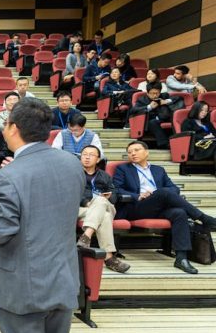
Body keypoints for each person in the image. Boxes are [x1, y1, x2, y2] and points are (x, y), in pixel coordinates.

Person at [0, 97, 85, 333]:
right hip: (64, 279)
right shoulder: (72, 163)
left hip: (23, 289)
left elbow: (1, 231)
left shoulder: (9, 175)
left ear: (13, 128)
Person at [114, 141, 216, 274]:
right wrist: (138, 195)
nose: (132, 153)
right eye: (129, 152)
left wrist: (159, 194)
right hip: (136, 206)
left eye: (136, 150)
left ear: (147, 152)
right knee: (163, 192)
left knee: (179, 212)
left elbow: (174, 188)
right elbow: (116, 189)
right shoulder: (123, 169)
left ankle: (181, 258)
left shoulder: (158, 170)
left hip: (159, 206)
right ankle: (204, 218)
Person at [76, 145, 130, 273]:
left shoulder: (105, 176)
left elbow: (114, 194)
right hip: (82, 208)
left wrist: (109, 197)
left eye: (91, 155)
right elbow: (69, 192)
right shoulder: (74, 174)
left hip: (105, 206)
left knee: (101, 201)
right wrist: (86, 202)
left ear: (98, 159)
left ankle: (86, 236)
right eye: (84, 154)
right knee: (104, 216)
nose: (87, 157)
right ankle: (109, 258)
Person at [130, 82, 181, 148]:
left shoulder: (163, 96)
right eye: (152, 93)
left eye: (157, 93)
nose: (155, 95)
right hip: (149, 120)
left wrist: (167, 101)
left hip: (165, 118)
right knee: (152, 122)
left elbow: (179, 98)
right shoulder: (142, 100)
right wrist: (149, 107)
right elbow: (133, 110)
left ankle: (178, 142)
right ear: (147, 93)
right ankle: (164, 144)